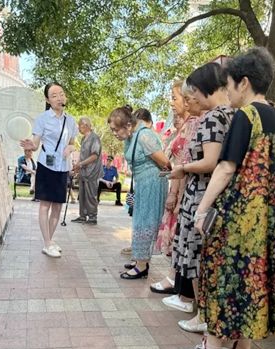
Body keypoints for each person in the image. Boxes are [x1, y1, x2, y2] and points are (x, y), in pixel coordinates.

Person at [178, 47, 275, 349]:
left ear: (244, 83)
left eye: (229, 84)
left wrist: (202, 210)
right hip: (273, 223)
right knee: (253, 284)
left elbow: (226, 167)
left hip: (240, 219)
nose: (227, 92)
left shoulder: (247, 116)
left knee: (223, 279)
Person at [162, 63, 235, 337]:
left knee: (196, 256)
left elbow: (210, 161)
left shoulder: (213, 118)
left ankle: (203, 315)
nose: (189, 98)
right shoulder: (233, 114)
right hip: (215, 194)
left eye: (192, 93)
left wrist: (183, 168)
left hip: (202, 194)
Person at [108, 105, 170, 279]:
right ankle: (140, 260)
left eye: (116, 130)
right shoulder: (133, 135)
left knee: (146, 221)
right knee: (139, 220)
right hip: (142, 183)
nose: (114, 134)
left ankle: (142, 265)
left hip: (152, 183)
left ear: (128, 125)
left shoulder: (144, 136)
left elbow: (165, 163)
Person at [20, 82, 78, 258]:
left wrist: (70, 148)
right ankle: (47, 243)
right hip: (46, 165)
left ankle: (49, 241)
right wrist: (31, 145)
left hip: (62, 166)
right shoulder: (42, 119)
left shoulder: (71, 121)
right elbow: (36, 144)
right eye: (54, 95)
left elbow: (72, 143)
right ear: (48, 100)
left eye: (61, 93)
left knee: (58, 207)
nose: (59, 97)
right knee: (45, 205)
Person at [153, 80, 190, 258]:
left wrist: (176, 195)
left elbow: (184, 163)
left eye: (174, 98)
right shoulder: (184, 127)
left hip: (184, 191)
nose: (171, 103)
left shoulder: (192, 125)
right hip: (177, 187)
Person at [72, 117, 102, 224]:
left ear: (86, 126)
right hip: (83, 172)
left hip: (92, 171)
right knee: (82, 195)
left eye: (80, 125)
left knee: (90, 195)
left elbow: (94, 155)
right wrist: (77, 165)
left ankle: (93, 217)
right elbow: (82, 154)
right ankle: (82, 215)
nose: (78, 128)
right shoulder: (83, 138)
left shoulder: (95, 138)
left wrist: (81, 164)